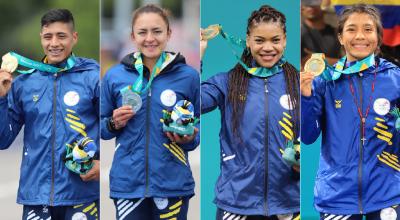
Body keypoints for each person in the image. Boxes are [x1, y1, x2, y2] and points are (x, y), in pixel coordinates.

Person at [101, 4, 200, 220]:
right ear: (132, 36)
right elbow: (101, 128)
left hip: (172, 184)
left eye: (157, 31)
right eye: (142, 32)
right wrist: (113, 123)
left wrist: (190, 136)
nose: (150, 38)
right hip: (128, 184)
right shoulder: (114, 76)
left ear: (169, 33)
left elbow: (197, 130)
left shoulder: (189, 77)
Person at [201, 5, 300, 220]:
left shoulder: (298, 83)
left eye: (275, 40)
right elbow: (191, 104)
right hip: (237, 202)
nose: (268, 48)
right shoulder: (227, 82)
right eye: (259, 40)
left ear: (285, 40)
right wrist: (197, 59)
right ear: (247, 40)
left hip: (288, 203)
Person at [301, 4, 400, 219]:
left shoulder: (395, 79)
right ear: (340, 37)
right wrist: (306, 97)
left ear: (378, 37)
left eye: (368, 29)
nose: (360, 36)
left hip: (387, 194)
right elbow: (308, 136)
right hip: (337, 196)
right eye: (352, 29)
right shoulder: (325, 81)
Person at [0, 9, 100, 220]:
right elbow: (3, 139)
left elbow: (113, 127)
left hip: (81, 195)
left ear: (74, 37)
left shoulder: (92, 77)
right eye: (48, 36)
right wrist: (1, 98)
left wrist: (102, 162)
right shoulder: (24, 83)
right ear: (41, 38)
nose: (54, 43)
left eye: (61, 36)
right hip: (37, 196)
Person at [301, 0, 342, 67]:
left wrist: (317, 59)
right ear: (301, 8)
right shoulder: (296, 35)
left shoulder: (337, 33)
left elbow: (351, 62)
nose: (311, 7)